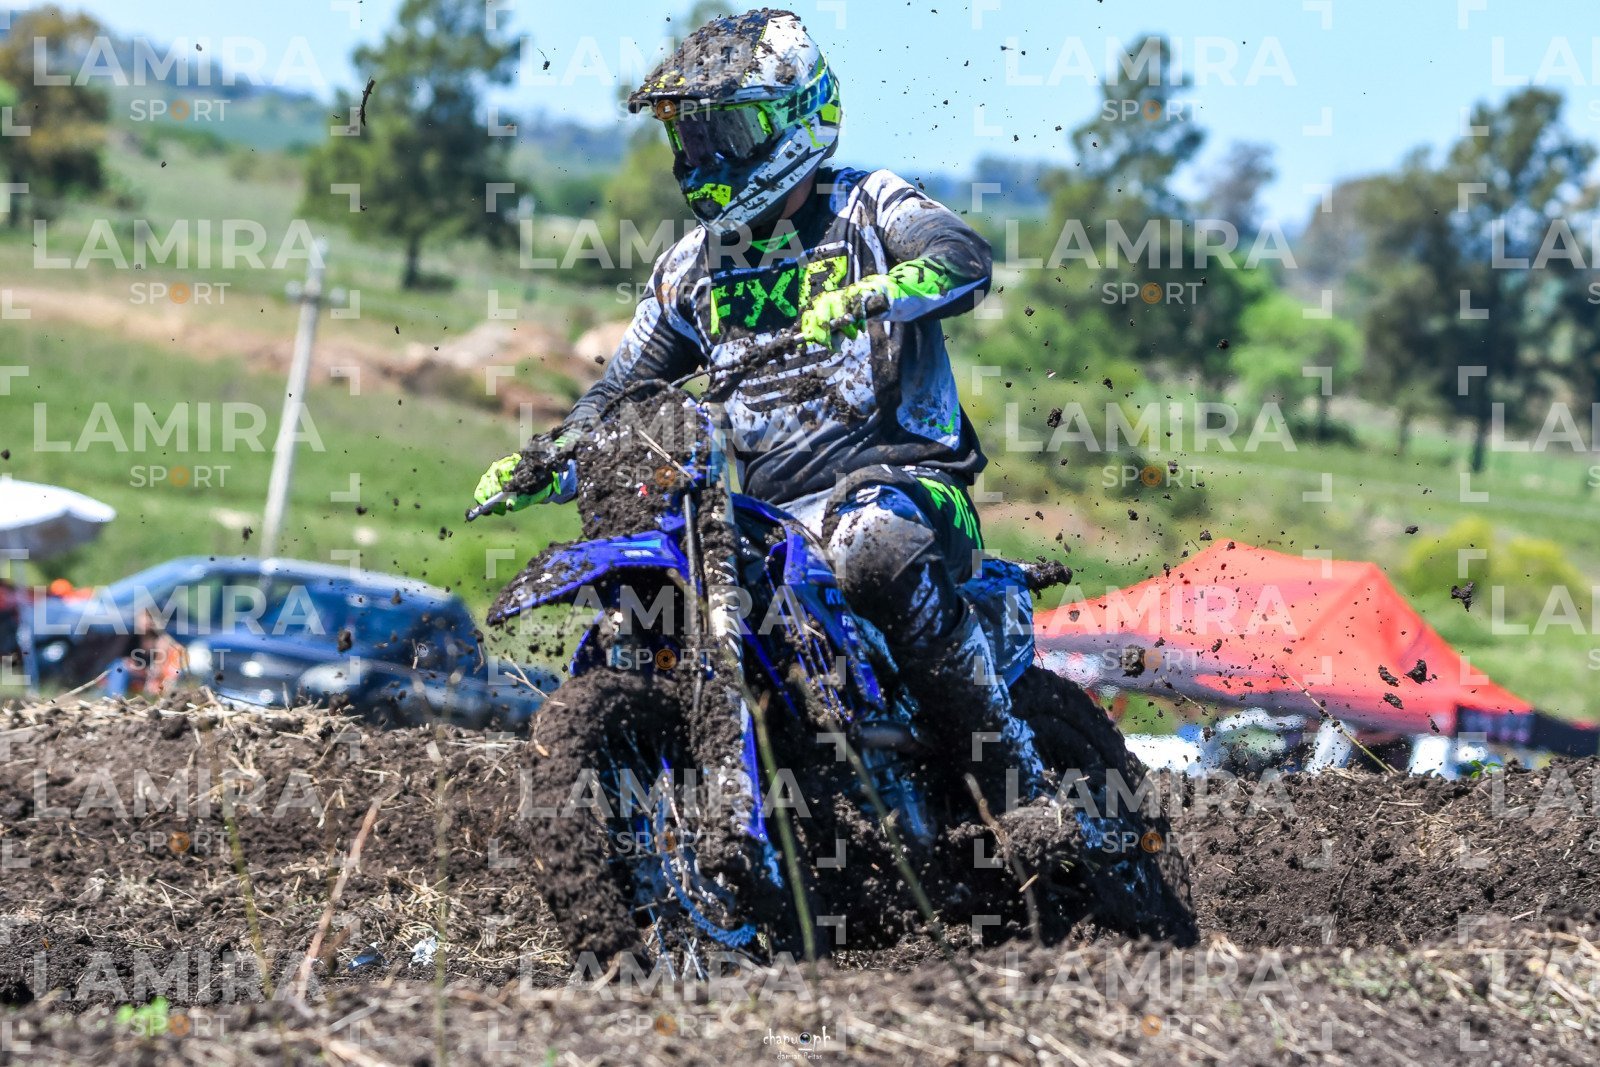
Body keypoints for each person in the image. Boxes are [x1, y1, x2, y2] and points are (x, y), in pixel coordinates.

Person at [474, 9, 1045, 800]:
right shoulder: (691, 271)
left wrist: (880, 292)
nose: (704, 157)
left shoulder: (867, 205)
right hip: (773, 523)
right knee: (667, 587)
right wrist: (553, 456)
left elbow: (964, 259)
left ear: (798, 116)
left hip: (912, 489)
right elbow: (622, 391)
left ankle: (1015, 779)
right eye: (690, 137)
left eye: (728, 132)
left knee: (870, 540)